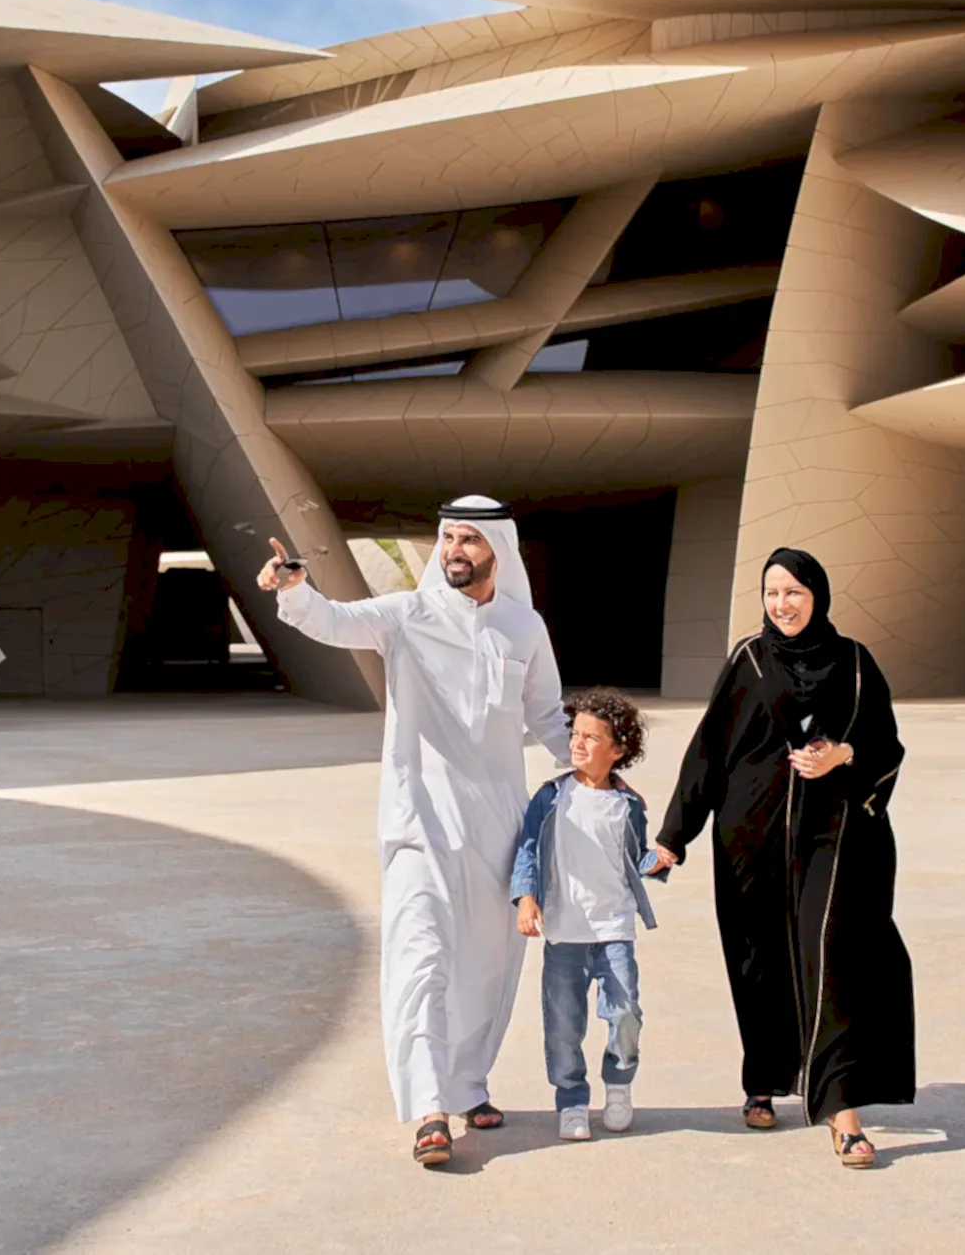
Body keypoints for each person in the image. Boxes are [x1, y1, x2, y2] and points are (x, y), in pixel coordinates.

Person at [257, 496, 571, 1167]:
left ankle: (467, 1084)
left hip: (498, 825)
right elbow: (334, 620)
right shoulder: (406, 613)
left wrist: (598, 769)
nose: (453, 549)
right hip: (418, 821)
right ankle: (430, 1108)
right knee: (421, 954)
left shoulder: (524, 628)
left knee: (487, 964)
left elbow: (548, 716)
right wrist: (294, 589)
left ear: (497, 549)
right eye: (447, 537)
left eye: (467, 539)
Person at [650, 547, 914, 1168]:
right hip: (751, 835)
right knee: (758, 959)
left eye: (794, 592)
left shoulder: (853, 662)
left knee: (832, 957)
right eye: (772, 593)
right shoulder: (750, 659)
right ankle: (762, 1078)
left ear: (817, 594)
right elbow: (709, 751)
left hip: (835, 833)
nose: (782, 604)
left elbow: (887, 743)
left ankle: (841, 1112)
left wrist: (841, 755)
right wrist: (672, 835)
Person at [508, 688, 664, 1142]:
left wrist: (658, 861)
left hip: (614, 929)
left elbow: (634, 860)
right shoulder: (552, 796)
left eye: (590, 737)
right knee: (562, 1024)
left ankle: (618, 1087)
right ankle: (572, 1100)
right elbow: (528, 849)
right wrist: (526, 898)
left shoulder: (628, 805)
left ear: (618, 750)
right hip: (564, 933)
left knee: (626, 1013)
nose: (577, 743)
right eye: (574, 733)